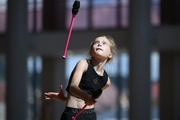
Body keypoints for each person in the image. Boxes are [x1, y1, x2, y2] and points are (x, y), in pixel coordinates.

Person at [44, 35, 117, 120]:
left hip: (91, 115)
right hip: (72, 114)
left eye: (104, 43)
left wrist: (64, 99)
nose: (99, 44)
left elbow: (88, 96)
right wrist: (85, 97)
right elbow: (73, 87)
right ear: (90, 52)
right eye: (96, 43)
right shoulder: (83, 64)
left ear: (110, 54)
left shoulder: (106, 81)